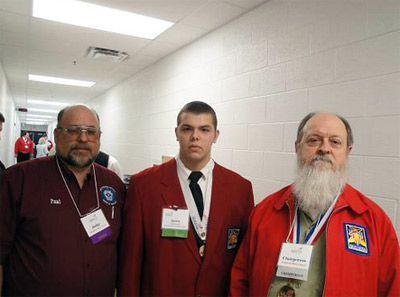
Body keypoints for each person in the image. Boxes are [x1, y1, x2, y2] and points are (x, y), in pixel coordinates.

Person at [230, 112, 399, 297]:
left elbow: (393, 289)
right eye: (314, 140)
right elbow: (240, 281)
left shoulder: (373, 220)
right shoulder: (264, 212)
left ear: (348, 151)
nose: (324, 149)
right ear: (297, 147)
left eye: (335, 142)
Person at [118, 101, 254, 297]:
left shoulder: (240, 188)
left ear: (216, 135)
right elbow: (130, 264)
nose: (195, 136)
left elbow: (243, 263)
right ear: (176, 133)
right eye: (187, 128)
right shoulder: (144, 185)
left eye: (204, 129)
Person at [1, 104, 125, 296]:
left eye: (90, 132)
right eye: (73, 130)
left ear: (99, 138)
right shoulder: (19, 180)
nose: (83, 139)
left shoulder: (113, 184)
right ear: (57, 136)